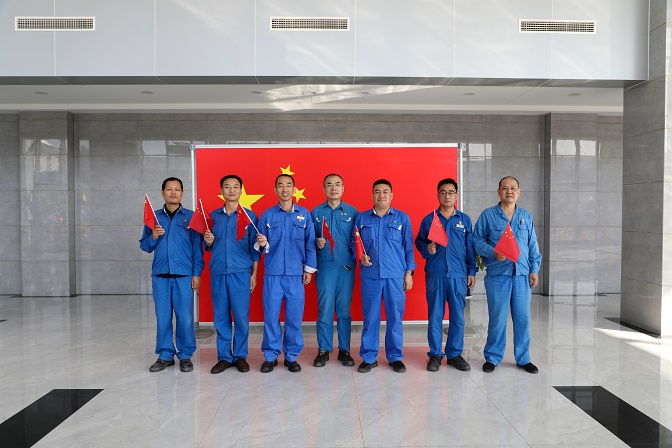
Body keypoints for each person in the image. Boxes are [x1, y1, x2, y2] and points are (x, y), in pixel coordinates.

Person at [473, 176, 542, 374]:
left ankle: (523, 358)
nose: (509, 191)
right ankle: (493, 357)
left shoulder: (526, 216)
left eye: (513, 188)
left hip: (521, 276)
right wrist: (492, 252)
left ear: (519, 192)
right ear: (499, 192)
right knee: (497, 319)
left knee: (523, 319)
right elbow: (476, 241)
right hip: (498, 276)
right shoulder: (488, 215)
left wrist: (534, 269)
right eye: (505, 188)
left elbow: (532, 245)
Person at [139, 177, 204, 373]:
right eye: (169, 189)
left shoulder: (191, 218)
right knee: (163, 318)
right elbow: (145, 246)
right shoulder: (154, 218)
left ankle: (185, 355)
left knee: (185, 318)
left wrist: (196, 273)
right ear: (163, 192)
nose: (173, 193)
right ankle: (165, 355)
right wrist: (153, 236)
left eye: (177, 189)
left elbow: (197, 249)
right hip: (160, 276)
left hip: (184, 276)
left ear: (182, 193)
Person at [352, 179, 416, 373]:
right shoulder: (362, 218)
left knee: (395, 318)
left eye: (385, 192)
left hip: (395, 276)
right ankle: (369, 357)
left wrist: (409, 273)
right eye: (377, 192)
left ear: (391, 195)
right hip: (370, 276)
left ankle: (395, 357)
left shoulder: (402, 218)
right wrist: (360, 257)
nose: (381, 195)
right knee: (370, 318)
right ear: (372, 195)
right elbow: (354, 244)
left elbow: (408, 248)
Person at [256, 174, 317, 373]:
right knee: (271, 317)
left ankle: (291, 356)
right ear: (275, 190)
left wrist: (309, 269)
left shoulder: (304, 214)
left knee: (293, 318)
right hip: (273, 274)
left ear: (294, 189)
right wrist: (262, 243)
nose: (285, 189)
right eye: (280, 185)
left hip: (295, 275)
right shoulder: (267, 215)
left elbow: (310, 243)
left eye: (288, 185)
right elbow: (259, 246)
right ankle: (271, 356)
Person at [415, 178, 477, 372]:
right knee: (435, 316)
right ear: (438, 195)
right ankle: (435, 354)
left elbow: (470, 247)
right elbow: (419, 242)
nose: (447, 196)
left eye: (451, 192)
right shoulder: (429, 220)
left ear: (456, 195)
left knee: (458, 317)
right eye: (443, 192)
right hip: (436, 274)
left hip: (458, 275)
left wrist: (471, 271)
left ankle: (454, 354)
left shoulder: (464, 220)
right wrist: (427, 248)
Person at [203, 175, 260, 374]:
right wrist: (208, 241)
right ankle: (225, 357)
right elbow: (207, 246)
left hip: (241, 274)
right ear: (222, 191)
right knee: (221, 317)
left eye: (236, 186)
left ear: (241, 190)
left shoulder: (250, 216)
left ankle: (240, 356)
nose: (232, 190)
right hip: (219, 273)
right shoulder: (213, 217)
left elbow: (255, 248)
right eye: (227, 187)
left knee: (241, 317)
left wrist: (254, 274)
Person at [310, 174, 358, 368]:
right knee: (325, 309)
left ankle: (344, 350)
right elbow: (307, 239)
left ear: (343, 188)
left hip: (346, 267)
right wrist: (316, 242)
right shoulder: (315, 212)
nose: (334, 188)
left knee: (344, 311)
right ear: (324, 189)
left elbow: (357, 240)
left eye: (338, 184)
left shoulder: (353, 212)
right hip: (325, 267)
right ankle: (323, 349)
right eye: (329, 185)